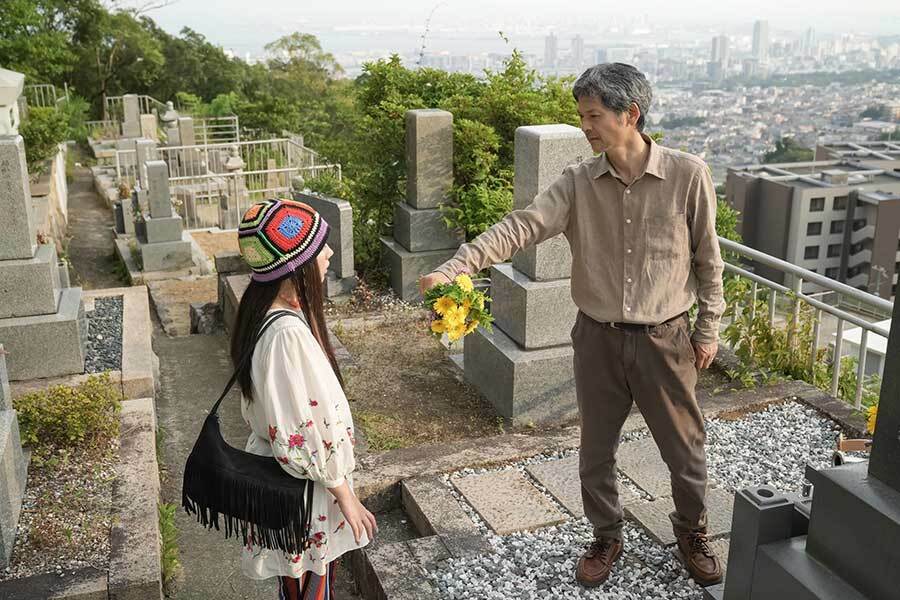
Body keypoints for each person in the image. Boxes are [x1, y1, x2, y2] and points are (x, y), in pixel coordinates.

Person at [419, 63, 726, 587]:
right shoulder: (577, 184)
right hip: (597, 339)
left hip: (666, 340)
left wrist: (708, 328)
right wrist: (457, 266)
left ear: (630, 114)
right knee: (595, 452)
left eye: (594, 115)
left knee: (685, 452)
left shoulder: (687, 174)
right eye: (582, 115)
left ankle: (691, 532)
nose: (585, 126)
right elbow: (522, 227)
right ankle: (607, 535)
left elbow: (708, 260)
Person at [231, 198, 377, 599]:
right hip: (300, 489)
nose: (329, 253)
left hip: (291, 484)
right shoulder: (286, 336)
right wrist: (344, 493)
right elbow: (301, 428)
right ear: (295, 268)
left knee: (298, 585)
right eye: (319, 249)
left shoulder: (268, 317)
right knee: (306, 588)